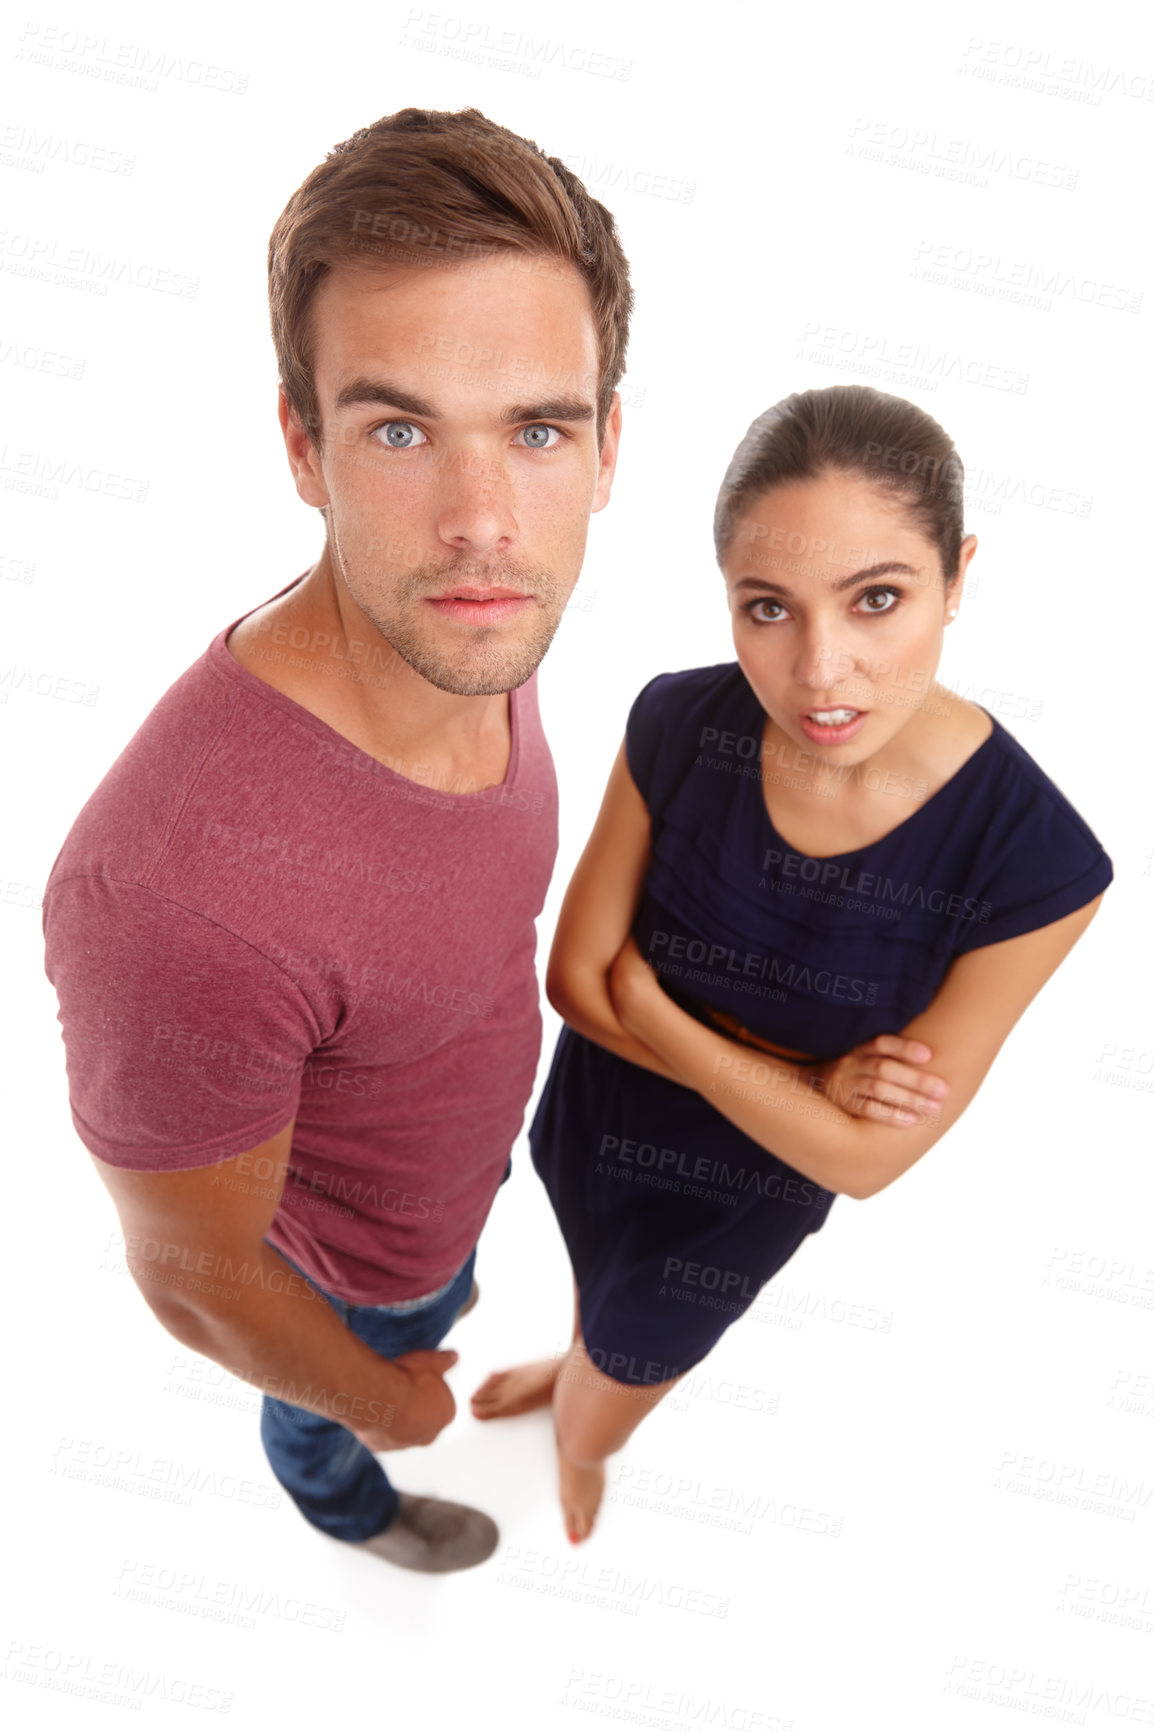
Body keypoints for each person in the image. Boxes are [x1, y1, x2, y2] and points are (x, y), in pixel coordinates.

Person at [40, 105, 631, 1573]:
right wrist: (382, 1402)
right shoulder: (176, 897)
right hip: (351, 1286)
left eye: (537, 429)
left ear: (607, 447)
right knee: (323, 1410)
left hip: (449, 1178)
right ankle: (339, 1504)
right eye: (398, 428)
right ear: (302, 446)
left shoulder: (469, 622)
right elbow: (196, 1284)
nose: (482, 519)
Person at [470, 384, 1113, 1544]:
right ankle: (578, 1357)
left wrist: (657, 1012)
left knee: (631, 1358)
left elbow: (864, 1160)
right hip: (600, 1107)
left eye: (876, 600)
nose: (821, 670)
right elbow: (571, 981)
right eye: (767, 608)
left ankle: (580, 1432)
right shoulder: (676, 721)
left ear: (957, 576)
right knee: (593, 1266)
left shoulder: (1038, 863)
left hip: (744, 1193)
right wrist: (807, 1080)